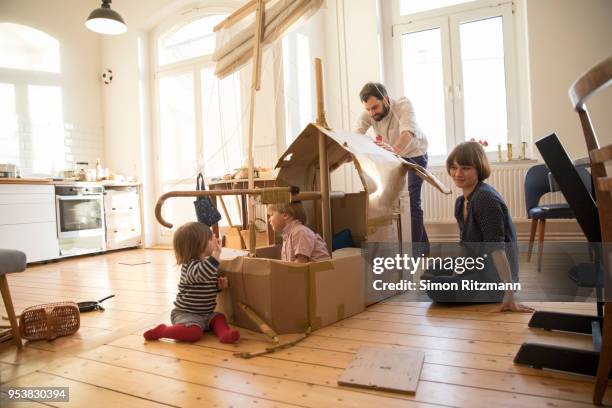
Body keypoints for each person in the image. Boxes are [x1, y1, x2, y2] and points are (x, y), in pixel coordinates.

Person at [426, 142, 534, 312]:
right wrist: (456, 275)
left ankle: (499, 293)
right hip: (478, 265)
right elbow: (465, 244)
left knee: (434, 286)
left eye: (466, 168)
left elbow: (497, 249)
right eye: (454, 167)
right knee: (432, 272)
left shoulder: (485, 199)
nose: (458, 173)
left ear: (479, 168)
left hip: (494, 280)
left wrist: (509, 293)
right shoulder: (461, 202)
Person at [354, 82, 430, 255]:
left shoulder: (404, 105)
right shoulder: (369, 113)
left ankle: (415, 255)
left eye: (375, 107)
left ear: (386, 100)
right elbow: (356, 135)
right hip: (394, 157)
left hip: (415, 153)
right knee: (397, 202)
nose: (372, 113)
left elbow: (408, 133)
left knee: (412, 201)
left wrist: (394, 150)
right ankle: (424, 249)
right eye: (369, 109)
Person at [143, 222, 240, 343]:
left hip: (206, 314)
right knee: (194, 333)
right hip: (186, 315)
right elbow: (201, 274)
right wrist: (216, 254)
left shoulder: (206, 265)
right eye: (211, 240)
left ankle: (225, 334)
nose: (215, 243)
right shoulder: (189, 266)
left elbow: (204, 287)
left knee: (219, 317)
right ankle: (162, 331)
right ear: (200, 245)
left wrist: (218, 286)